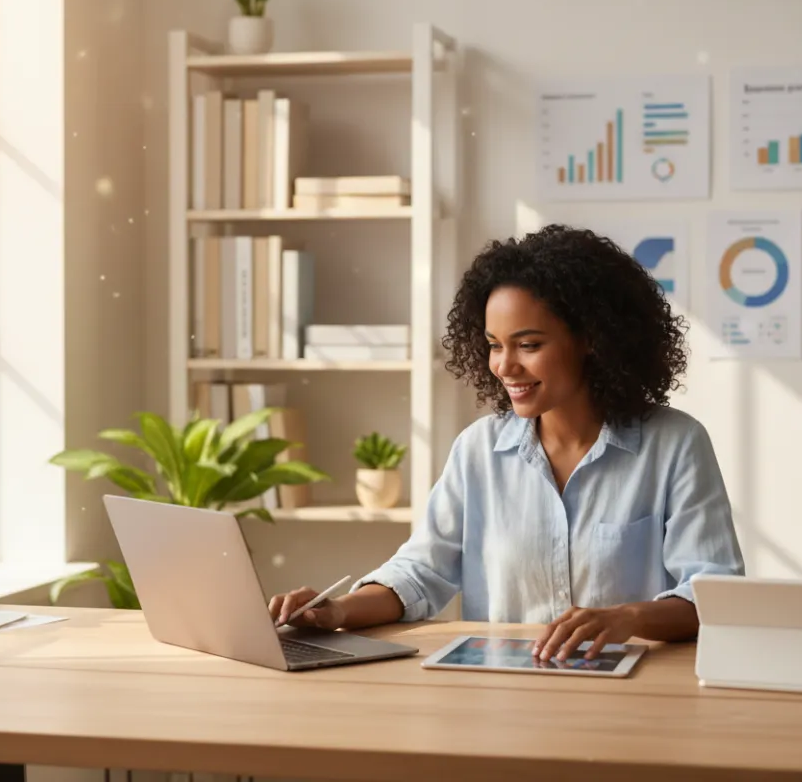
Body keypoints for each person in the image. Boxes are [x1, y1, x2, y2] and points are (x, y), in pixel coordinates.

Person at [269, 224, 745, 662]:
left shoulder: (675, 445)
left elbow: (713, 591)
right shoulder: (478, 450)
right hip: (502, 691)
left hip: (634, 694)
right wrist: (334, 612)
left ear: (592, 339)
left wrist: (626, 618)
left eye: (529, 345)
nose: (504, 366)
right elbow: (420, 573)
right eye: (495, 344)